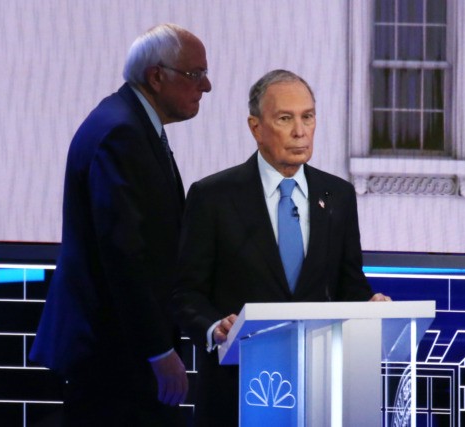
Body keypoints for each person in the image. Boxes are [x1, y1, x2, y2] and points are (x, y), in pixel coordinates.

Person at [172, 69, 390, 427]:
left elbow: (348, 284)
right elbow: (185, 294)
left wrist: (370, 306)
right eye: (285, 119)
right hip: (237, 391)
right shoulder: (212, 197)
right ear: (255, 127)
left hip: (318, 395)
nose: (300, 131)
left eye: (308, 117)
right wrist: (214, 327)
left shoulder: (337, 196)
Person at [29, 23, 211, 426]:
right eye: (196, 74)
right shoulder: (121, 133)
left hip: (115, 354)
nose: (207, 86)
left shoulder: (128, 123)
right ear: (156, 76)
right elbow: (124, 255)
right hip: (112, 357)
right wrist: (158, 351)